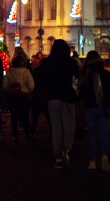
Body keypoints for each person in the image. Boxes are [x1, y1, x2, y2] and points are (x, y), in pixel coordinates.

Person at [39, 39, 80, 168]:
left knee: (56, 129)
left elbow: (42, 80)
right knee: (69, 128)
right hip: (67, 98)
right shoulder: (71, 63)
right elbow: (77, 80)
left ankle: (57, 158)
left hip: (53, 98)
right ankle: (66, 150)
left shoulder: (47, 63)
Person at [79, 51, 110, 171]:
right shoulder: (106, 74)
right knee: (104, 135)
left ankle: (92, 161)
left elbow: (80, 91)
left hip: (90, 107)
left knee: (92, 135)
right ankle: (104, 156)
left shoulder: (85, 75)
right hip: (105, 107)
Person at [4, 55, 34, 142]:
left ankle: (15, 135)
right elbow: (31, 86)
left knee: (14, 116)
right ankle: (27, 133)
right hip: (24, 96)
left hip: (13, 96)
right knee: (25, 116)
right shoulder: (26, 72)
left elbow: (5, 85)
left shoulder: (9, 72)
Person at [30, 60, 50, 138]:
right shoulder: (49, 71)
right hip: (46, 95)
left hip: (37, 94)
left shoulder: (37, 71)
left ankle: (32, 132)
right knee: (48, 115)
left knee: (35, 116)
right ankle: (53, 132)